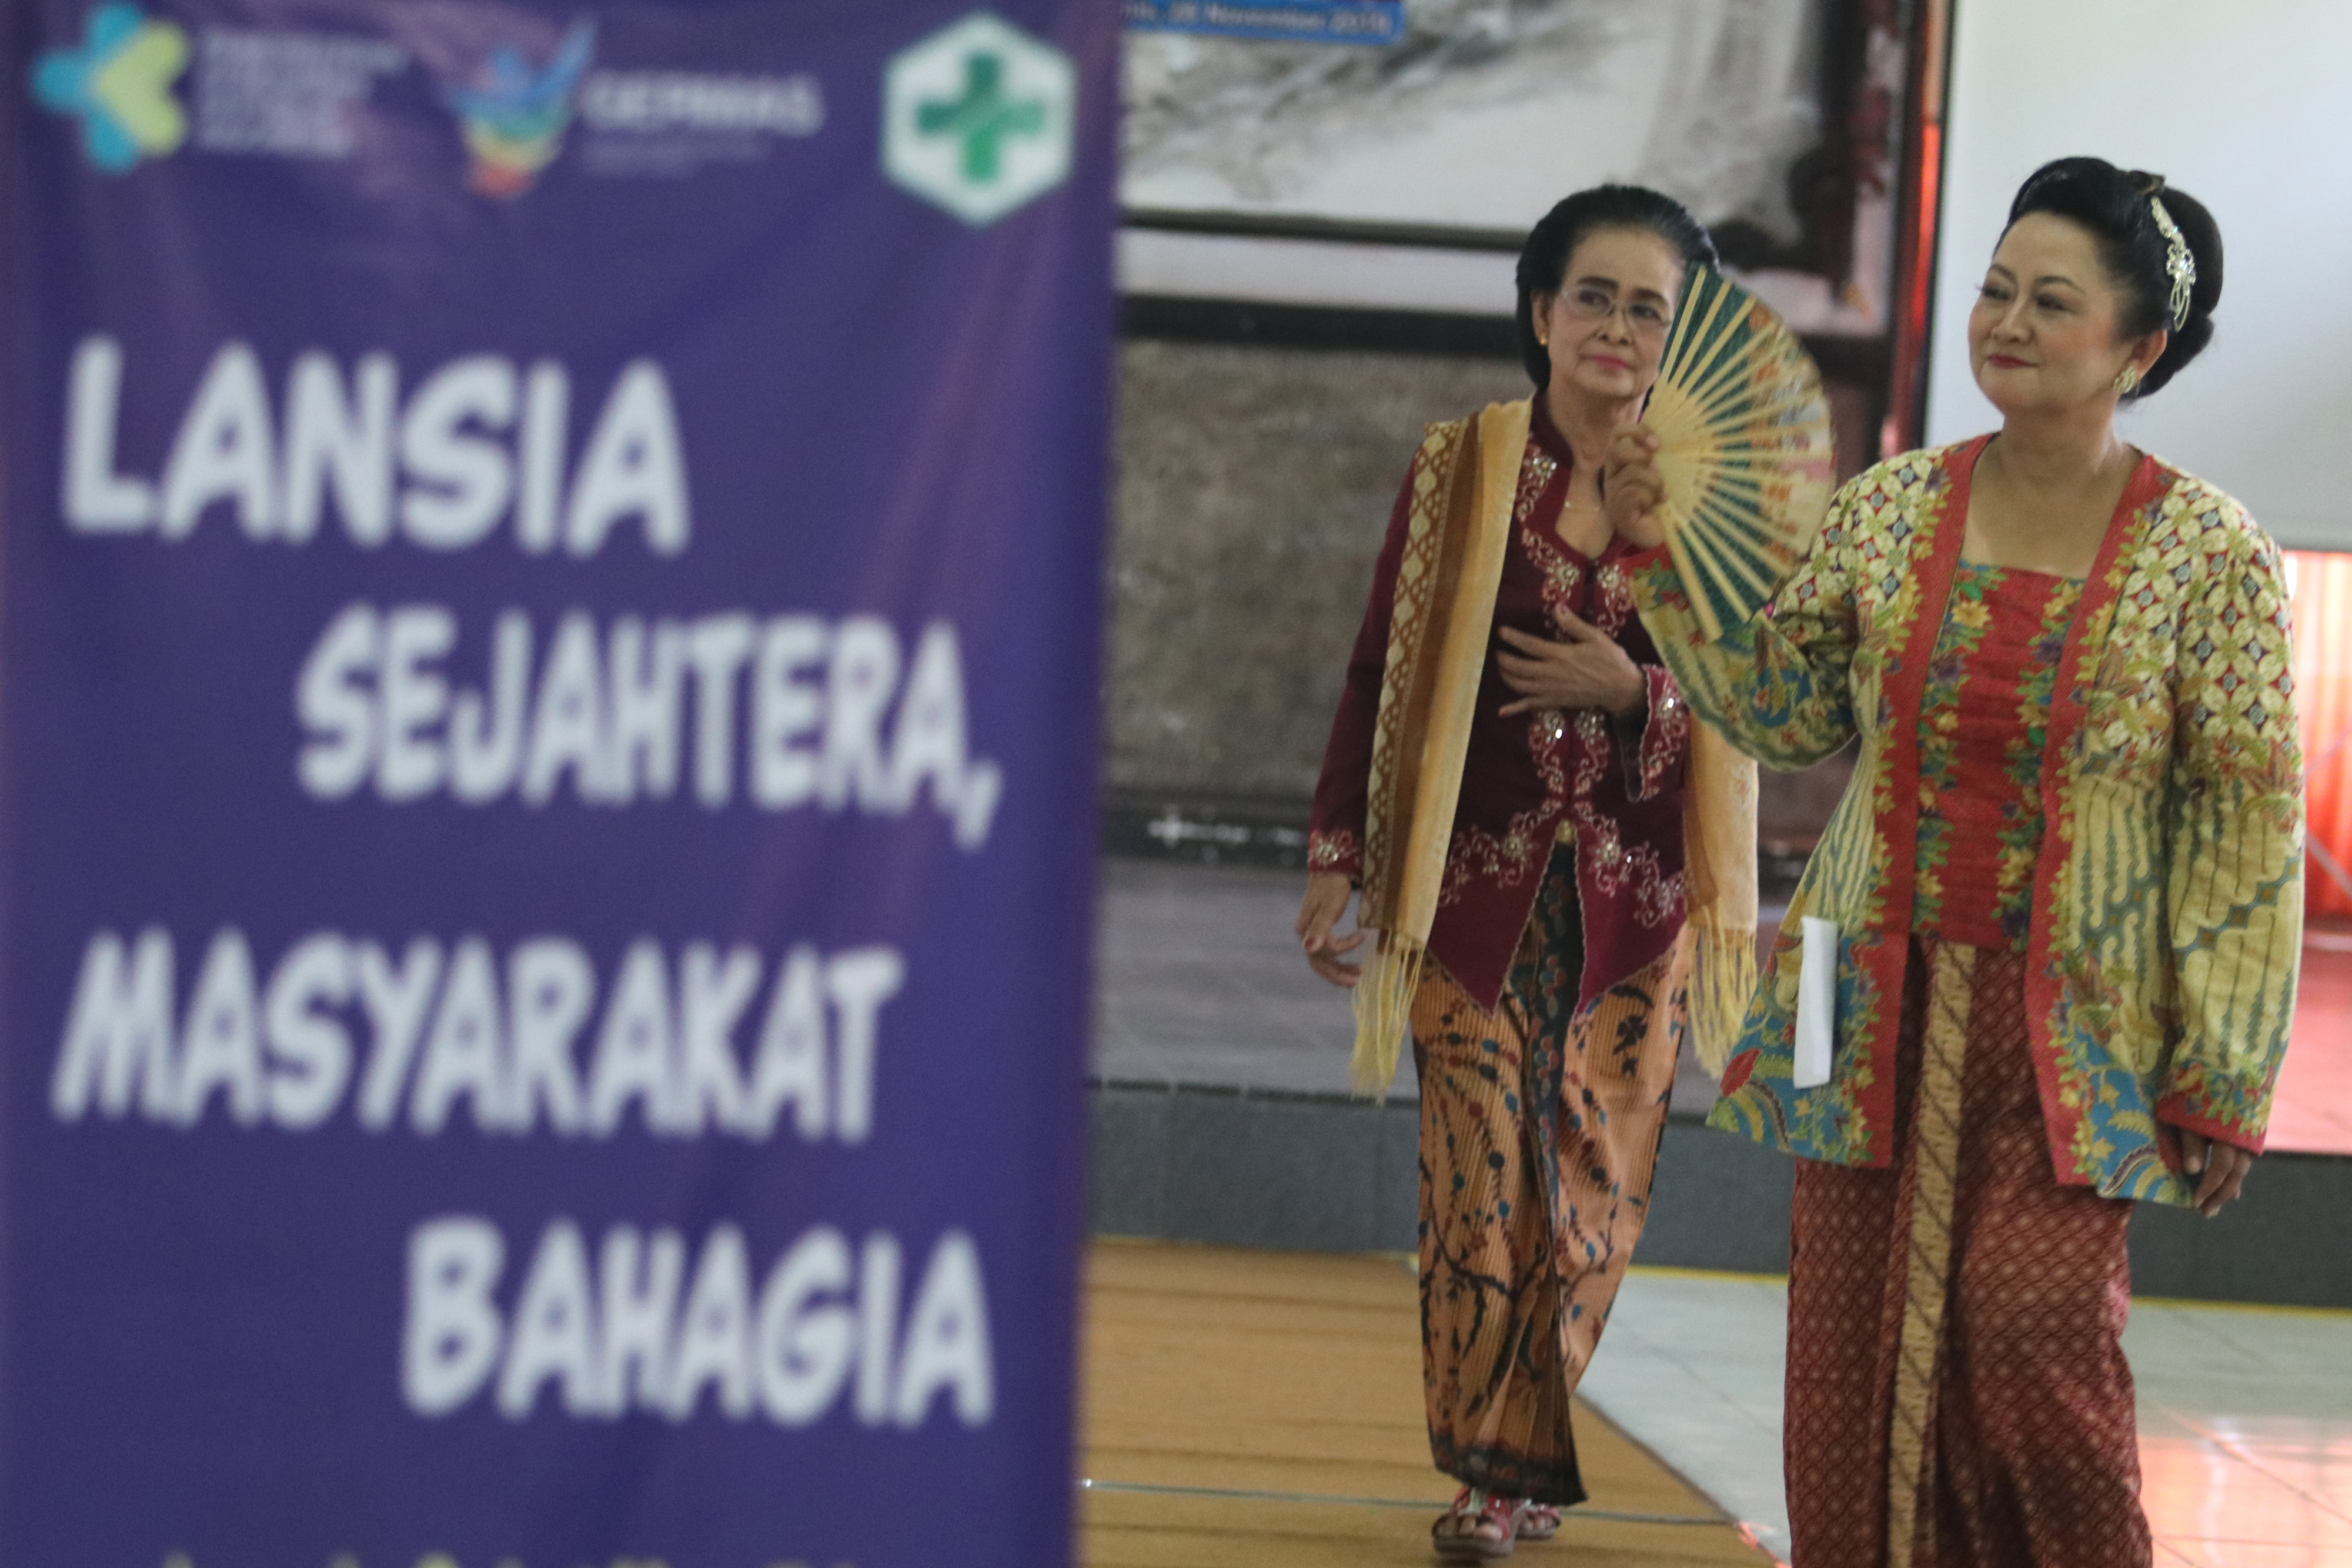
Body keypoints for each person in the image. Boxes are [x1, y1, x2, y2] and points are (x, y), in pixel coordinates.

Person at [1609, 156, 2304, 1567]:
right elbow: (1782, 711)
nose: (2005, 322)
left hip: (2080, 1020)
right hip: (1855, 994)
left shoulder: (2208, 553)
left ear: (2136, 348)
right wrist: (1663, 554)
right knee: (1845, 1351)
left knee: (2029, 1330)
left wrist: (2224, 1069)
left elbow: (2242, 820)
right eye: (1995, 290)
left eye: (2050, 301)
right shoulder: (1890, 507)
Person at [1296, 185, 1759, 1562]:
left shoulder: (1717, 501)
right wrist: (1336, 851)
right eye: (1590, 296)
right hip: (1467, 896)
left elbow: (1755, 709)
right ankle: (1489, 1478)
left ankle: (1517, 1461)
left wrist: (1635, 694)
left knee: (1589, 1196)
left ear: (1681, 338)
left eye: (1646, 308)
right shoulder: (1460, 469)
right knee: (1477, 1186)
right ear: (1540, 312)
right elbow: (1380, 668)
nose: (1614, 326)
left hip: (1636, 910)